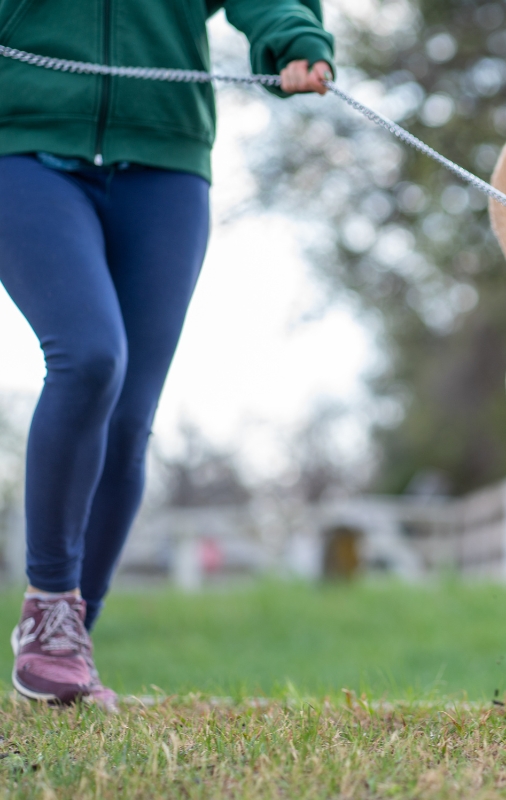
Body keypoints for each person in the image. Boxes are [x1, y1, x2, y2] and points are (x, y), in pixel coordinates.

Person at [0, 0, 335, 708]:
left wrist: (294, 37)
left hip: (165, 159)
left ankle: (68, 645)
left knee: (128, 420)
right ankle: (50, 605)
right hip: (20, 140)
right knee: (90, 357)